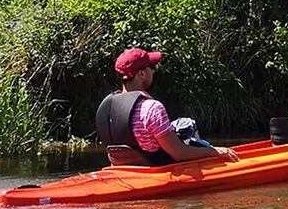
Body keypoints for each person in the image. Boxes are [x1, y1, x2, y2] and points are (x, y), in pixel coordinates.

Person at [94, 48, 240, 165]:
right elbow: (179, 154)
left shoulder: (105, 108)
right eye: (151, 67)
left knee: (185, 123)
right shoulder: (151, 108)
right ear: (142, 74)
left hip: (123, 171)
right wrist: (215, 151)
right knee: (189, 127)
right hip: (156, 170)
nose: (154, 71)